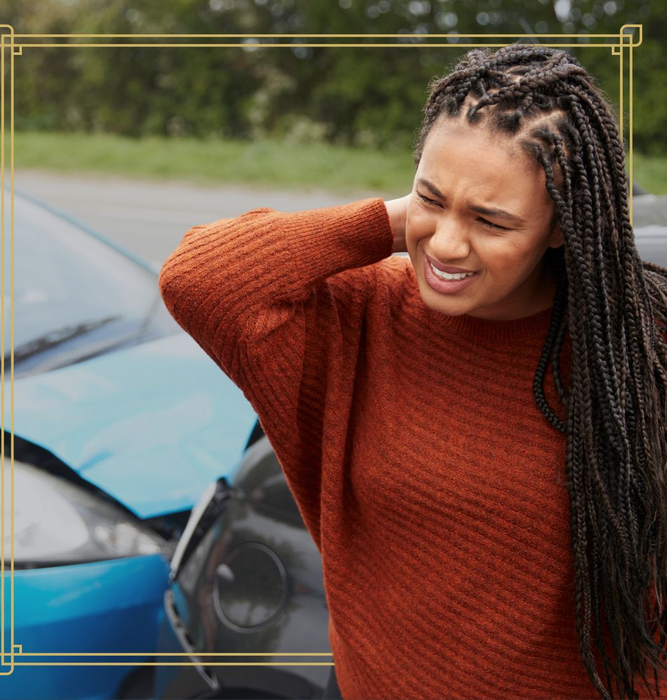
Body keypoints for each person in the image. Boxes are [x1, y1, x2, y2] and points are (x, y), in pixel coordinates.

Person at [159, 42, 667, 699]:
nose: (449, 245)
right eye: (431, 197)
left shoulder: (634, 349)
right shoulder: (359, 315)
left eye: (492, 219)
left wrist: (443, 202)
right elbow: (200, 278)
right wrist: (399, 221)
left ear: (562, 228)